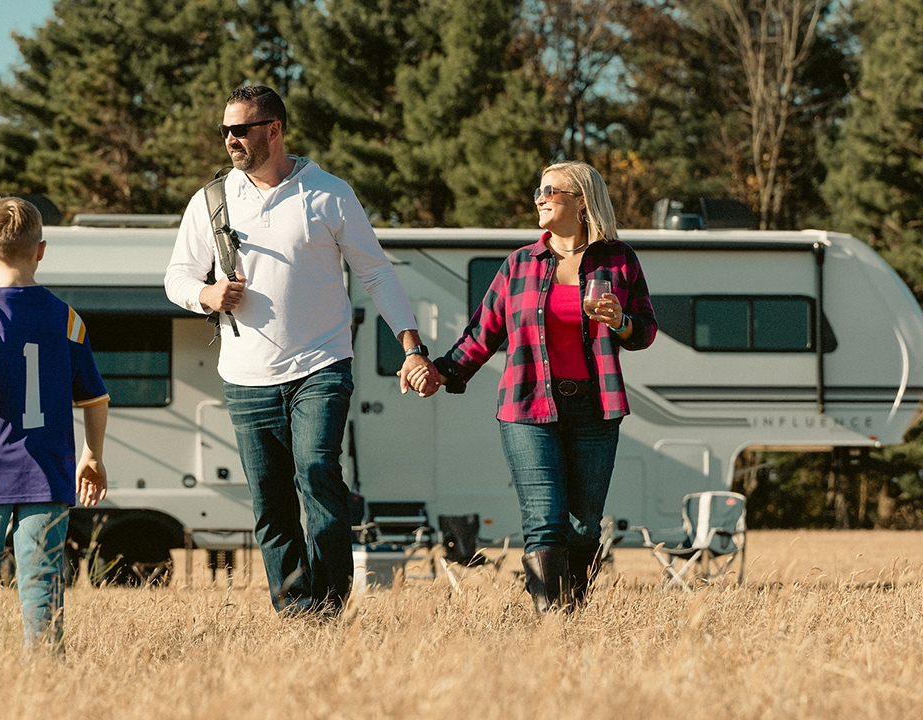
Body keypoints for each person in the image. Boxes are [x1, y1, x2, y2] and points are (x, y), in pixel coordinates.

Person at [165, 85, 436, 616]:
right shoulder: (212, 200)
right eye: (225, 130)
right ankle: (296, 610)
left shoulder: (329, 192)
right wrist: (206, 294)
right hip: (245, 375)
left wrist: (411, 346)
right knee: (270, 500)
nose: (230, 140)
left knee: (316, 471)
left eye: (240, 129)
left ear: (274, 129)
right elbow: (176, 276)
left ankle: (330, 605)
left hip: (321, 364)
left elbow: (377, 273)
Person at [414, 161, 657, 613]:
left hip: (595, 408)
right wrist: (440, 371)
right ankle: (554, 626)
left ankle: (573, 616)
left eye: (551, 190)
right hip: (528, 408)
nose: (539, 198)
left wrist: (620, 321)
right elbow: (481, 334)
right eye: (538, 191)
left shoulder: (619, 260)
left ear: (582, 200)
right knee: (544, 522)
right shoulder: (520, 265)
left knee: (584, 528)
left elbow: (644, 332)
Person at [0, 196, 110, 652]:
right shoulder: (67, 317)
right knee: (42, 574)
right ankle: (45, 667)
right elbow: (95, 398)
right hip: (50, 470)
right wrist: (93, 455)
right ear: (41, 250)